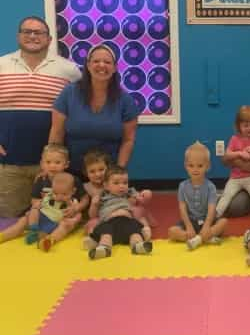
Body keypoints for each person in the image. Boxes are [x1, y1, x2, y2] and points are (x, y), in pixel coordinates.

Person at [0, 16, 81, 218]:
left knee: (53, 217)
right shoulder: (1, 65)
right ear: (19, 36)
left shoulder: (68, 70)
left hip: (54, 166)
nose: (33, 36)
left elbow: (80, 107)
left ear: (49, 39)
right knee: (10, 219)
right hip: (10, 163)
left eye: (39, 32)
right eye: (27, 31)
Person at [49, 44, 138, 177]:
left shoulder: (125, 100)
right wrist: (53, 167)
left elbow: (128, 140)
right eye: (96, 61)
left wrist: (118, 172)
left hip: (107, 174)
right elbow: (57, 133)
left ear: (114, 68)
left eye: (107, 62)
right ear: (88, 65)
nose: (101, 65)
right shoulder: (69, 93)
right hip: (71, 172)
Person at [0, 143, 88, 245]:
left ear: (66, 164)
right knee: (24, 220)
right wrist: (38, 205)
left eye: (57, 162)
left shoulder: (73, 180)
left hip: (63, 218)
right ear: (42, 164)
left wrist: (76, 209)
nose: (52, 166)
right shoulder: (41, 180)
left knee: (67, 225)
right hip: (45, 215)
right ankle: (4, 235)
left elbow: (85, 198)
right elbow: (34, 199)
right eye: (48, 162)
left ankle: (50, 240)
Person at [168, 142, 228, 250]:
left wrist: (207, 226)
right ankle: (203, 238)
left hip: (207, 220)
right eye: (191, 165)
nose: (195, 169)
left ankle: (200, 238)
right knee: (172, 231)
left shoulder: (211, 187)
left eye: (200, 166)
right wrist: (188, 226)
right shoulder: (182, 186)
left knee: (223, 222)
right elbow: (182, 208)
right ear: (186, 166)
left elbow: (211, 209)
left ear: (207, 166)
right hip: (190, 221)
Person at [81, 149, 153, 238]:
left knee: (137, 211)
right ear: (86, 173)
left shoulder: (117, 183)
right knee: (92, 223)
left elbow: (133, 195)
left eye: (101, 169)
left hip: (123, 214)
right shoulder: (86, 187)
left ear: (108, 169)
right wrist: (93, 204)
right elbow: (90, 213)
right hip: (103, 216)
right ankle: (92, 238)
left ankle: (145, 230)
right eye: (92, 171)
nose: (97, 174)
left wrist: (140, 197)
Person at [87, 165, 152, 259]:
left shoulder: (129, 192)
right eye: (116, 183)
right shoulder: (102, 196)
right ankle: (104, 248)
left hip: (127, 221)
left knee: (135, 232)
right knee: (106, 235)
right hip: (109, 222)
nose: (121, 186)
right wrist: (94, 204)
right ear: (106, 186)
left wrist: (146, 194)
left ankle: (138, 246)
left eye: (125, 183)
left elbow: (142, 200)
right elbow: (92, 215)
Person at [215, 106, 250, 218]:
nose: (249, 128)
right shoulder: (235, 139)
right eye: (246, 125)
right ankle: (215, 215)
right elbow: (227, 154)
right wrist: (238, 154)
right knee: (226, 196)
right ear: (239, 125)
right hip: (235, 178)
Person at [27, 172, 80, 252]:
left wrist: (74, 220)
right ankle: (33, 231)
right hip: (42, 220)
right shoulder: (48, 196)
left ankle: (50, 240)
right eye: (55, 193)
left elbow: (79, 214)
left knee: (65, 226)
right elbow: (38, 204)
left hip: (57, 224)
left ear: (73, 191)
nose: (59, 197)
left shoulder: (73, 202)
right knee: (33, 211)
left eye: (64, 194)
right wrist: (36, 206)